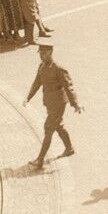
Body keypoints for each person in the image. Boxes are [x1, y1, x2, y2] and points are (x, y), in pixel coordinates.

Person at [27, 41, 81, 169]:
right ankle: (69, 148)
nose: (41, 55)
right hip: (49, 102)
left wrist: (76, 104)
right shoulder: (42, 66)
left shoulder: (58, 68)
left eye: (44, 53)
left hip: (58, 104)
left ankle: (40, 160)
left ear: (50, 52)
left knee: (48, 128)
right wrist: (28, 97)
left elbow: (69, 87)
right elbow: (37, 82)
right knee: (58, 126)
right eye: (40, 53)